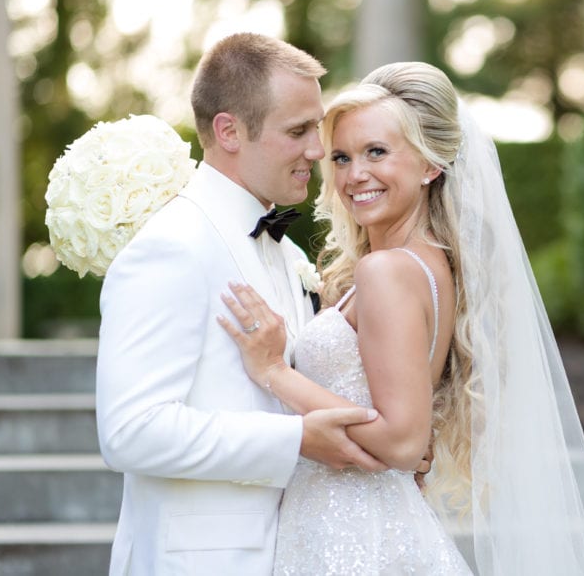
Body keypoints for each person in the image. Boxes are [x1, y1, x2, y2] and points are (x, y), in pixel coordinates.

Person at [219, 61, 584, 575]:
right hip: (364, 524)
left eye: (377, 152)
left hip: (356, 539)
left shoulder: (388, 271)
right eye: (341, 157)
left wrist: (276, 372)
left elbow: (402, 441)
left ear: (431, 165)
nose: (354, 175)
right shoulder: (430, 265)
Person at [95, 32, 388, 576]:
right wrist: (297, 440)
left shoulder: (288, 249)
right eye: (298, 131)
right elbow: (130, 431)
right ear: (229, 130)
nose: (317, 151)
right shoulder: (172, 246)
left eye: (316, 129)